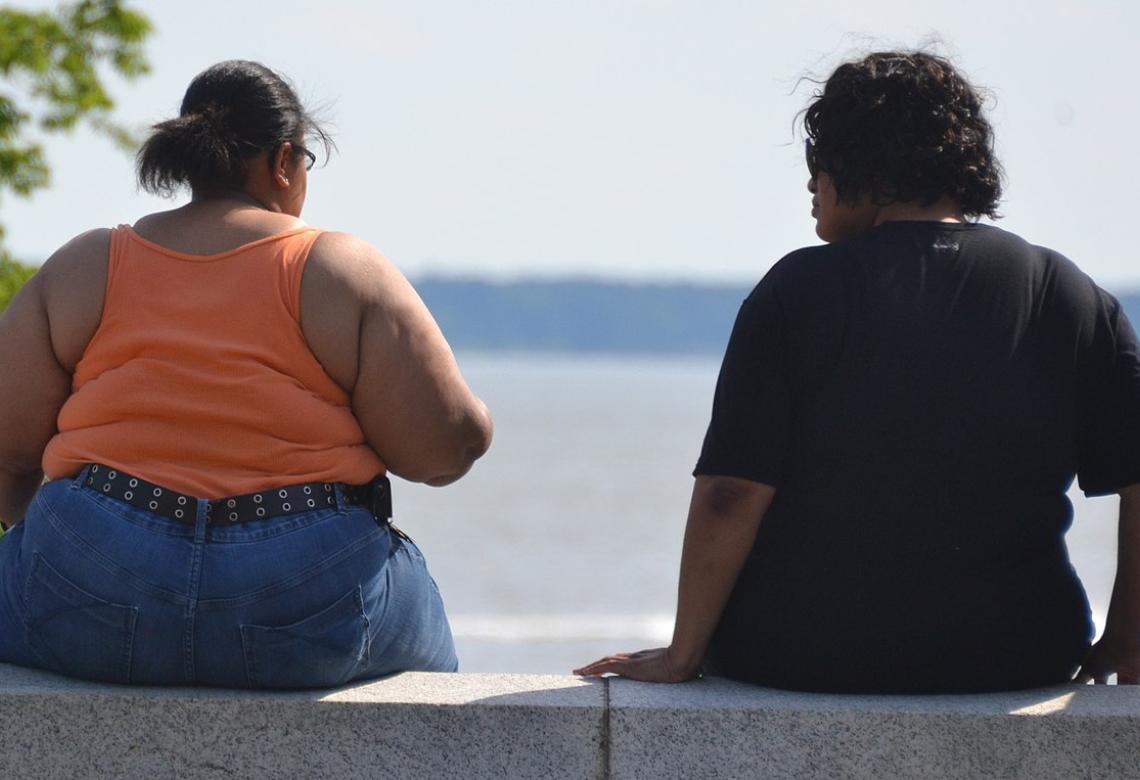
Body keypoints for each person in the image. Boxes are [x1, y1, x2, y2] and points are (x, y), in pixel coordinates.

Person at [576, 50, 1140, 693]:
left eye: (820, 165)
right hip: (1018, 656)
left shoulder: (798, 290)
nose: (811, 186)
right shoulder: (1063, 292)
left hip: (802, 656)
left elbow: (731, 493)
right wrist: (1128, 641)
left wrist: (683, 653)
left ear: (864, 167)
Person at [0, 60, 492, 688]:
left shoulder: (88, 264)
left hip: (93, 573)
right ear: (284, 161)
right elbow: (442, 451)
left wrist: (74, 561)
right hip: (305, 595)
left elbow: (8, 453)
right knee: (434, 657)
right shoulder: (338, 268)